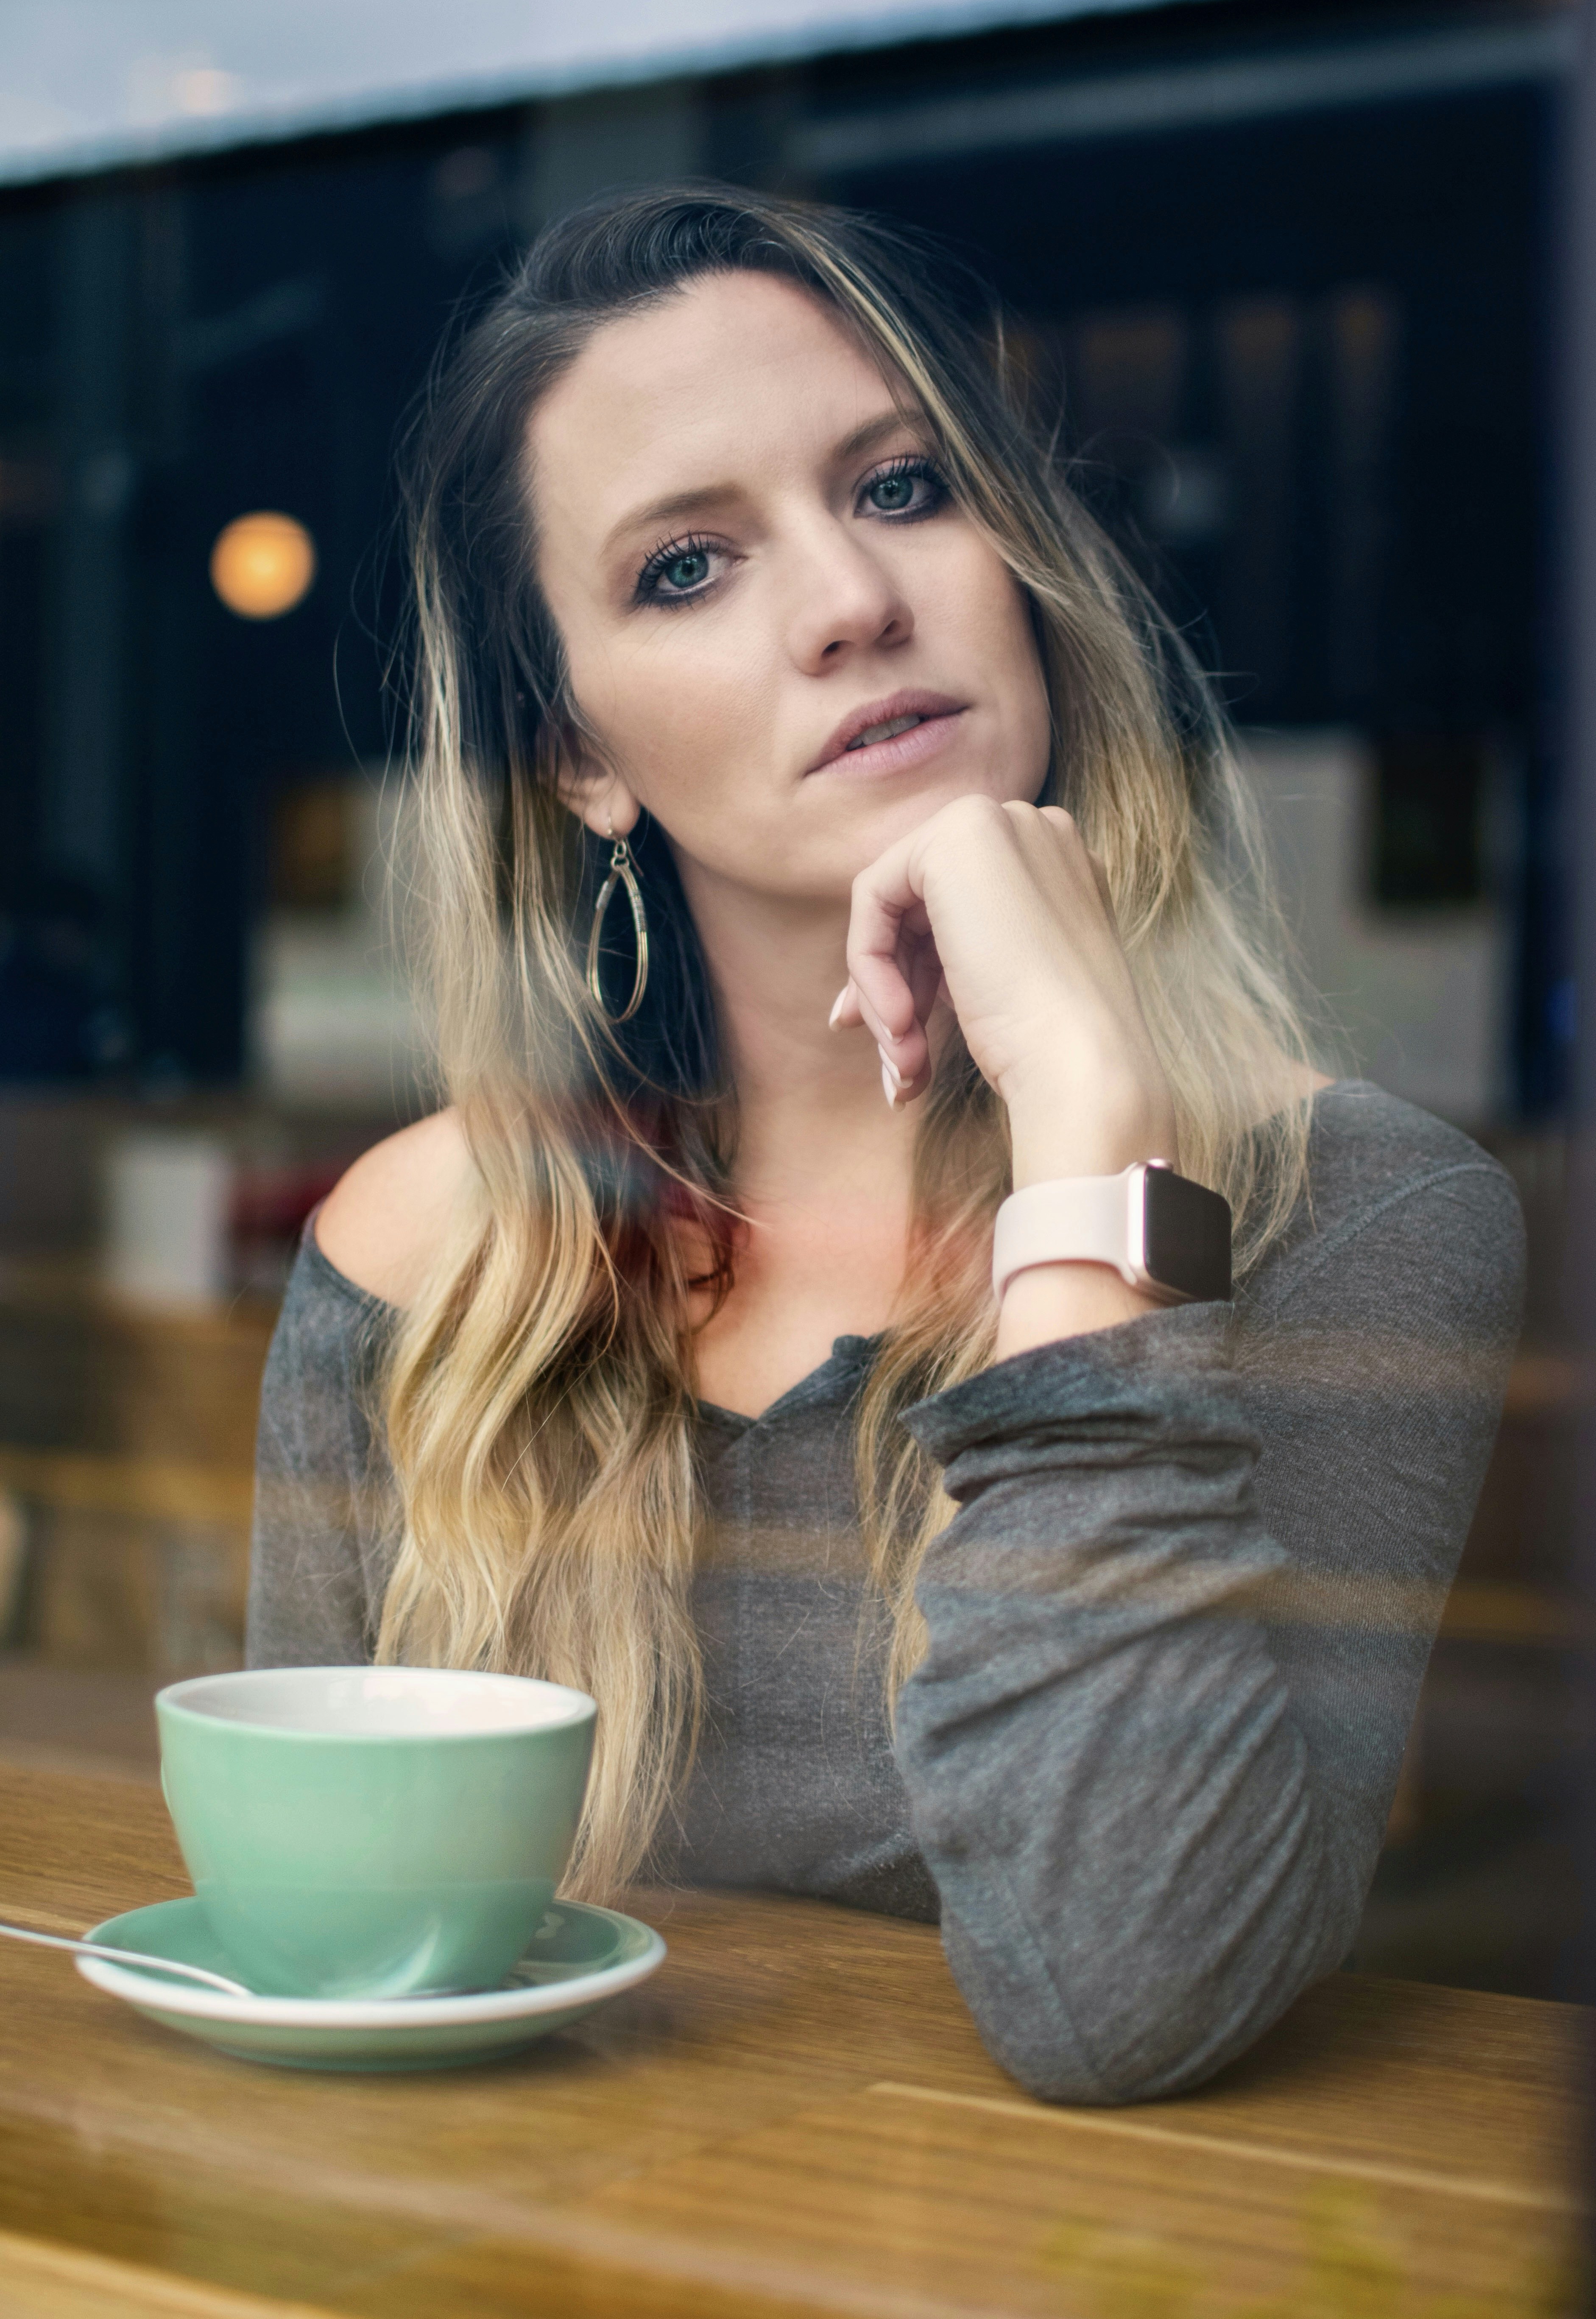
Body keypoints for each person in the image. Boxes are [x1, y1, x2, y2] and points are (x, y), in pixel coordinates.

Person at [248, 187, 1523, 2105]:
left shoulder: (1354, 1213)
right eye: (685, 567)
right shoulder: (432, 1255)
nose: (850, 600)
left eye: (902, 485)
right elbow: (321, 1944)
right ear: (579, 757)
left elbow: (1127, 1994)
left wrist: (1091, 1128)